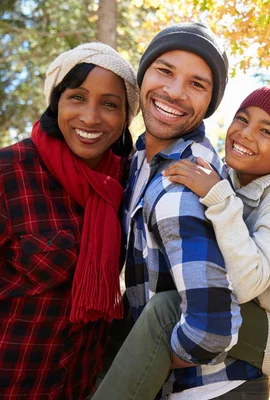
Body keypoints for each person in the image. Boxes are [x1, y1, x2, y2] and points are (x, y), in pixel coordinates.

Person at [95, 86, 270, 399]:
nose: (245, 134)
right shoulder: (230, 176)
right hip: (246, 313)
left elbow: (245, 284)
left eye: (266, 131)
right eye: (242, 119)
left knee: (167, 310)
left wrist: (219, 196)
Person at [92, 22, 269, 400]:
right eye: (165, 71)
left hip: (211, 390)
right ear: (142, 77)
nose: (174, 92)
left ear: (209, 102)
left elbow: (211, 330)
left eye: (197, 84)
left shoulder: (181, 184)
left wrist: (143, 363)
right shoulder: (139, 160)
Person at [0, 42, 139, 399]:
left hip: (80, 386)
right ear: (56, 102)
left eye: (110, 104)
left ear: (126, 117)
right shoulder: (8, 172)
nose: (91, 118)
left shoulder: (127, 185)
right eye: (77, 97)